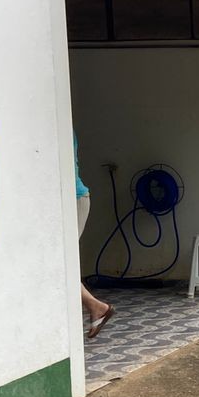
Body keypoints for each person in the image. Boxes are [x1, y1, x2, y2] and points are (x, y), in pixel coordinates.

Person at [75, 133, 115, 339]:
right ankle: (96, 306)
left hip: (74, 198)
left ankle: (96, 306)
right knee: (59, 265)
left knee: (62, 266)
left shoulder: (57, 126)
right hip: (72, 198)